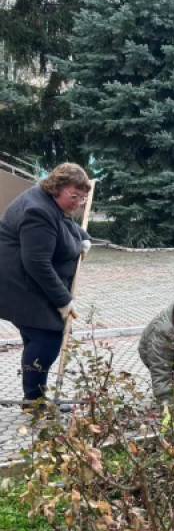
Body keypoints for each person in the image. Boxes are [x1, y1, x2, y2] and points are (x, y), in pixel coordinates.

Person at [0, 162, 92, 410]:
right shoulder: (37, 211)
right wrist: (63, 301)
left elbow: (62, 221)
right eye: (74, 196)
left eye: (82, 198)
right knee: (48, 337)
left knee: (36, 338)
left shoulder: (47, 202)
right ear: (57, 188)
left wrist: (82, 238)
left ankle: (34, 398)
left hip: (25, 282)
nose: (78, 203)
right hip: (20, 285)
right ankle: (34, 400)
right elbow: (38, 263)